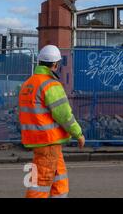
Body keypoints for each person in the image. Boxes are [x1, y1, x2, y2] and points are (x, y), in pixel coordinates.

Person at [18, 44, 85, 198]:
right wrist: (78, 134)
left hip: (39, 142)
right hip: (48, 141)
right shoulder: (50, 84)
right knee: (39, 184)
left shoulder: (28, 84)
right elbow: (64, 115)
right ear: (55, 64)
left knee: (59, 179)